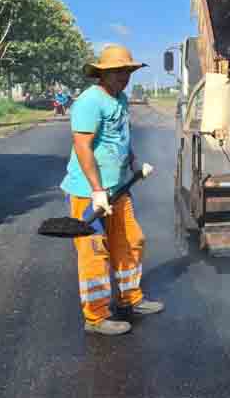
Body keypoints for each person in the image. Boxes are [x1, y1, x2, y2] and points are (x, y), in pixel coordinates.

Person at [60, 44, 164, 336]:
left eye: (127, 71)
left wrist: (133, 161)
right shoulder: (89, 102)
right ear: (102, 73)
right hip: (88, 192)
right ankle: (95, 316)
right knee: (95, 251)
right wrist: (96, 191)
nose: (124, 77)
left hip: (118, 189)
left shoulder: (121, 99)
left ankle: (130, 298)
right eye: (117, 72)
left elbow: (121, 135)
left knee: (131, 240)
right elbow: (82, 145)